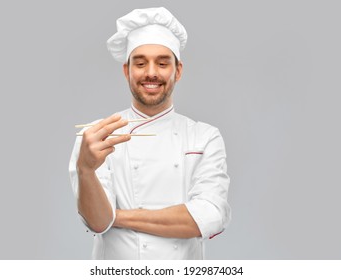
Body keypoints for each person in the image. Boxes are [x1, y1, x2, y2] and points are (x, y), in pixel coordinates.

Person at [69, 7, 231, 259]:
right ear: (127, 71)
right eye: (141, 63)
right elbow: (98, 223)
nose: (151, 72)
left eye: (163, 63)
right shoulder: (95, 137)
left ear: (177, 71)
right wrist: (85, 169)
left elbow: (209, 215)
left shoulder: (204, 137)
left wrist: (117, 217)